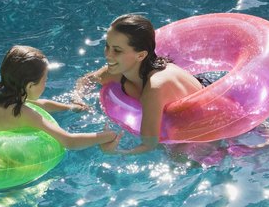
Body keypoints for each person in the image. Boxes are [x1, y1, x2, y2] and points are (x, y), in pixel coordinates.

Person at [74, 14, 210, 155]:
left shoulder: (155, 88)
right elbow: (87, 80)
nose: (108, 55)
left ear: (140, 55)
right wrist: (77, 99)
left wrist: (114, 152)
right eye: (107, 46)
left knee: (178, 156)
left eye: (117, 50)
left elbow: (149, 144)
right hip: (170, 102)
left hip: (202, 117)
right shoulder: (117, 72)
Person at [0, 45, 118, 150]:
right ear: (30, 86)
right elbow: (69, 141)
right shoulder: (22, 114)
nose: (46, 84)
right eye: (45, 80)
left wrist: (70, 107)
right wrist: (108, 136)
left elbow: (40, 104)